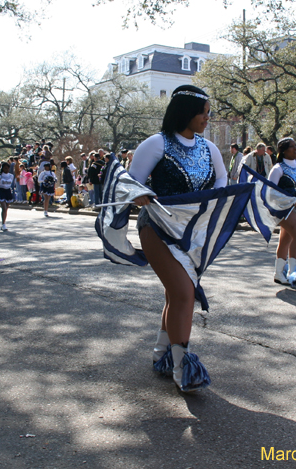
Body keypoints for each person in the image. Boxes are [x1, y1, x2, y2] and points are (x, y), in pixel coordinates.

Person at [128, 84, 227, 393]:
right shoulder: (156, 144)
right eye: (204, 113)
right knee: (185, 294)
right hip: (157, 227)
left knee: (175, 295)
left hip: (192, 233)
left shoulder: (209, 148)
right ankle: (183, 367)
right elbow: (129, 183)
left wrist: (220, 197)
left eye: (209, 113)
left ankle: (163, 356)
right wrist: (140, 194)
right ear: (187, 113)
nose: (208, 118)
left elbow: (222, 181)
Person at [268, 137, 296, 288]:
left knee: (286, 240)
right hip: (282, 209)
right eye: (292, 147)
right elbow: (270, 192)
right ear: (283, 151)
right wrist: (288, 199)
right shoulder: (278, 168)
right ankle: (294, 272)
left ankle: (279, 274)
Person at [0, 162, 15, 230]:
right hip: (1, 191)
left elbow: (12, 184)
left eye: (8, 168)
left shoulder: (11, 176)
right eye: (5, 168)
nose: (7, 169)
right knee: (4, 208)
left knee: (6, 209)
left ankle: (4, 222)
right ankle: (3, 224)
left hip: (8, 191)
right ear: (2, 168)